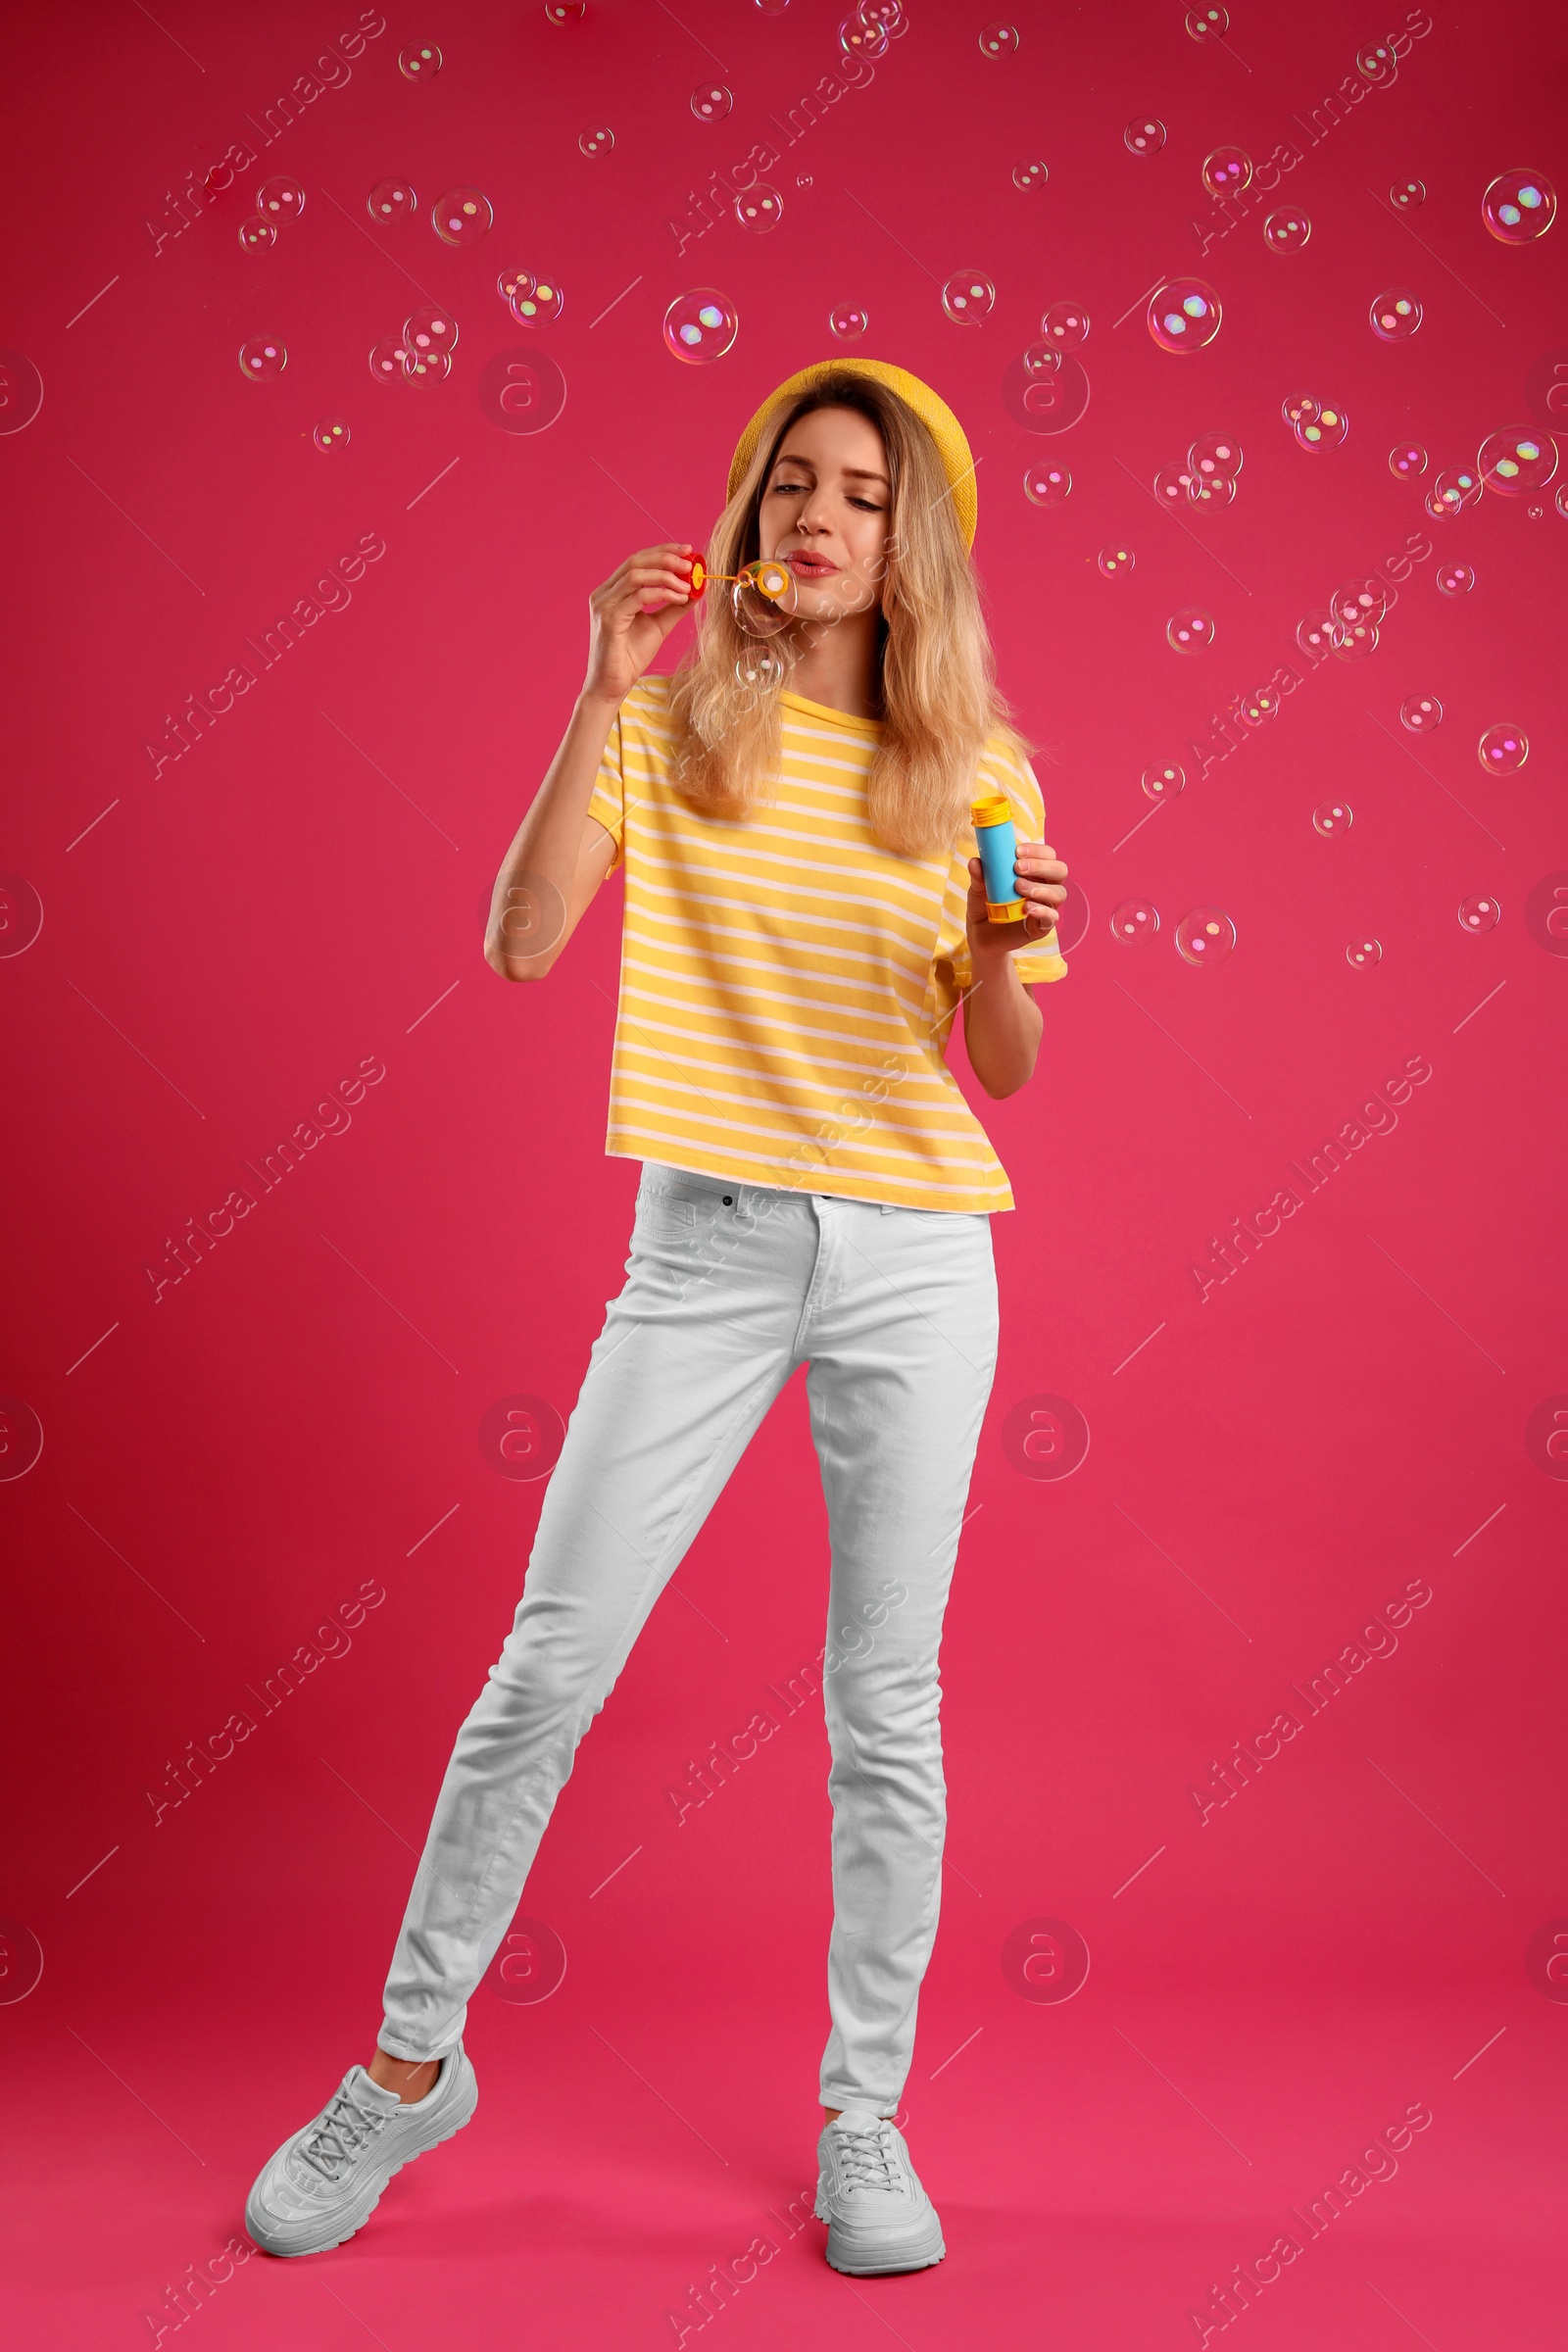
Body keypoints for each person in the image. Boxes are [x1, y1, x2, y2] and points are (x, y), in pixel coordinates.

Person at [245, 359, 1070, 2278]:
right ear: (751, 508)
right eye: (793, 482)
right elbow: (521, 941)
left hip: (918, 1255)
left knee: (886, 1706)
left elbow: (1005, 1065)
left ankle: (861, 2124)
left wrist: (1017, 957)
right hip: (701, 1249)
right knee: (544, 1669)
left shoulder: (981, 780)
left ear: (910, 537)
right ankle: (401, 2070)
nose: (818, 517)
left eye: (861, 494)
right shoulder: (678, 727)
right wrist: (590, 698)